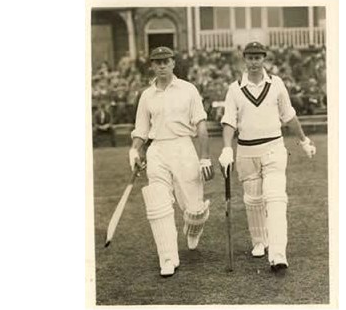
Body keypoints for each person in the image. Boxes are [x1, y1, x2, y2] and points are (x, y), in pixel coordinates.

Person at [218, 42, 316, 273]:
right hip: (246, 152)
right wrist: (226, 149)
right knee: (253, 202)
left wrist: (303, 141)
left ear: (264, 59)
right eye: (250, 57)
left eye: (258, 57)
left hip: (274, 149)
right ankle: (259, 242)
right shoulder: (234, 88)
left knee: (276, 199)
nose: (254, 62)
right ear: (244, 59)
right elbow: (229, 121)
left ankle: (278, 253)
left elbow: (289, 115)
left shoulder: (277, 84)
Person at [129, 46, 214, 277]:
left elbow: (201, 126)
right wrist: (135, 151)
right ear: (152, 66)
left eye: (166, 61)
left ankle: (194, 227)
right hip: (158, 149)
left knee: (195, 211)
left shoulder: (188, 90)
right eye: (157, 62)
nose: (162, 65)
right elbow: (141, 130)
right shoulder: (147, 95)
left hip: (183, 147)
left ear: (174, 63)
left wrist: (205, 157)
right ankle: (168, 258)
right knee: (158, 202)